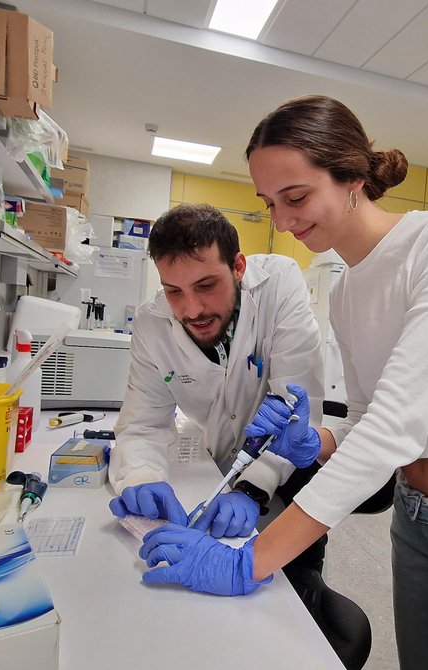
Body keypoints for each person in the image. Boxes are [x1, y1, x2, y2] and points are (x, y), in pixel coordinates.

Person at [135, 94, 428, 670]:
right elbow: (366, 415)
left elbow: (398, 423)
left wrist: (250, 561)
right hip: (417, 519)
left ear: (353, 176)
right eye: (270, 203)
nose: (284, 222)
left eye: (296, 197)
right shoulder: (346, 292)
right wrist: (313, 441)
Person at [106, 203, 326, 574]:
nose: (191, 309)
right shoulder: (151, 323)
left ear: (238, 267)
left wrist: (253, 487)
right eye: (174, 291)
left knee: (291, 587)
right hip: (218, 463)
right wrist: (142, 477)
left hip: (290, 471)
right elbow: (143, 424)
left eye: (206, 286)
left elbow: (294, 408)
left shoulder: (279, 285)